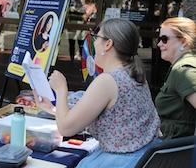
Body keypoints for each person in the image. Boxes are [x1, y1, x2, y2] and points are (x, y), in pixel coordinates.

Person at [34, 18, 160, 167]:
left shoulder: (107, 81)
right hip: (145, 159)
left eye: (96, 37)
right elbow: (115, 120)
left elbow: (66, 128)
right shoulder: (134, 73)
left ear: (108, 44)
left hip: (120, 162)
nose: (93, 43)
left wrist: (61, 89)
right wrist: (53, 109)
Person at [155, 17, 196, 139]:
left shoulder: (183, 70)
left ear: (184, 41)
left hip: (175, 151)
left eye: (164, 39)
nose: (159, 44)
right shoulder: (180, 67)